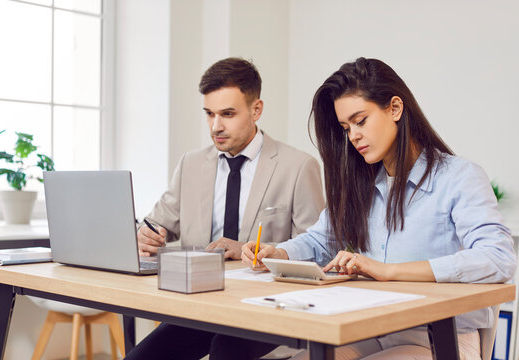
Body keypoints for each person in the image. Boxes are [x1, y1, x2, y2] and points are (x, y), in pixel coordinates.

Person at [240, 57, 517, 360]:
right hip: (370, 330)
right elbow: (321, 240)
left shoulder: (458, 177)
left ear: (395, 108)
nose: (353, 136)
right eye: (346, 128)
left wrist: (388, 272)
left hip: (439, 339)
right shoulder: (361, 184)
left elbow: (498, 257)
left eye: (361, 121)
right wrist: (277, 254)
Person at [127, 57, 325, 359]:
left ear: (256, 109)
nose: (216, 126)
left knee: (226, 350)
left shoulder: (298, 167)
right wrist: (145, 236)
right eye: (209, 114)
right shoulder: (190, 164)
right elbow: (157, 225)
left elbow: (318, 252)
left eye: (228, 114)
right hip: (201, 307)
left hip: (267, 309)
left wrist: (252, 248)